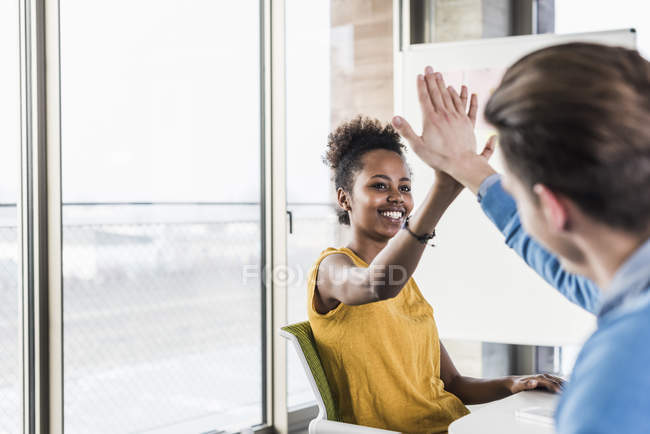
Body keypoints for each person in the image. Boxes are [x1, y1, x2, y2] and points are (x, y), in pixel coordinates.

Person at [391, 43, 650, 433]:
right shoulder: (628, 288)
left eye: (517, 189)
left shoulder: (618, 375)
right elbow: (574, 268)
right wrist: (466, 165)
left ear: (552, 209)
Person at [308, 115, 563, 434]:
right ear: (344, 197)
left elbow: (454, 383)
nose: (397, 197)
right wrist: (443, 189)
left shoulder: (405, 282)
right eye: (379, 185)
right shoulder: (332, 269)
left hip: (453, 426)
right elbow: (376, 284)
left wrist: (516, 383)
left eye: (404, 187)